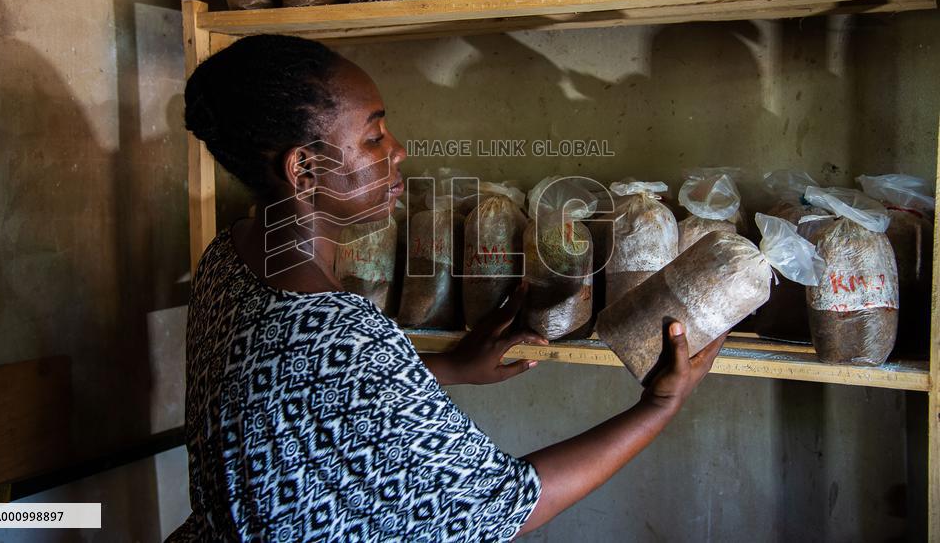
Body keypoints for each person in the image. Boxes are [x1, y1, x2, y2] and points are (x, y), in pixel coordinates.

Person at [167, 34, 725, 541]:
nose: (397, 150)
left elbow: (305, 405)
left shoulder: (232, 252)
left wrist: (449, 369)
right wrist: (659, 404)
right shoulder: (341, 333)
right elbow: (505, 508)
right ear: (305, 170)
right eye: (373, 135)